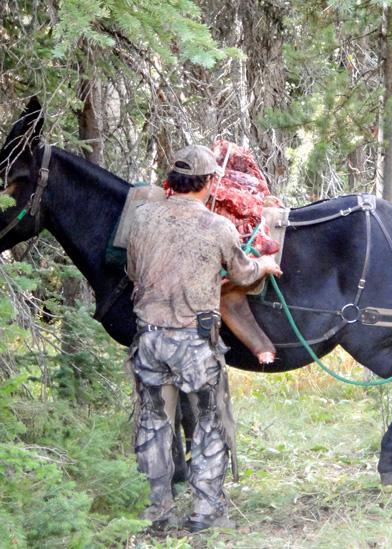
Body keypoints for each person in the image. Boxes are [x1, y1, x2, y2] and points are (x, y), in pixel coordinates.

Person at [126, 144, 281, 531]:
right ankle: (205, 512)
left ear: (173, 181)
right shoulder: (218, 227)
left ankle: (157, 513)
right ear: (210, 182)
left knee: (153, 425)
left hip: (148, 340)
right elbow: (243, 275)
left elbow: (132, 270)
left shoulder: (141, 219)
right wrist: (264, 263)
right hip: (194, 344)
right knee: (211, 424)